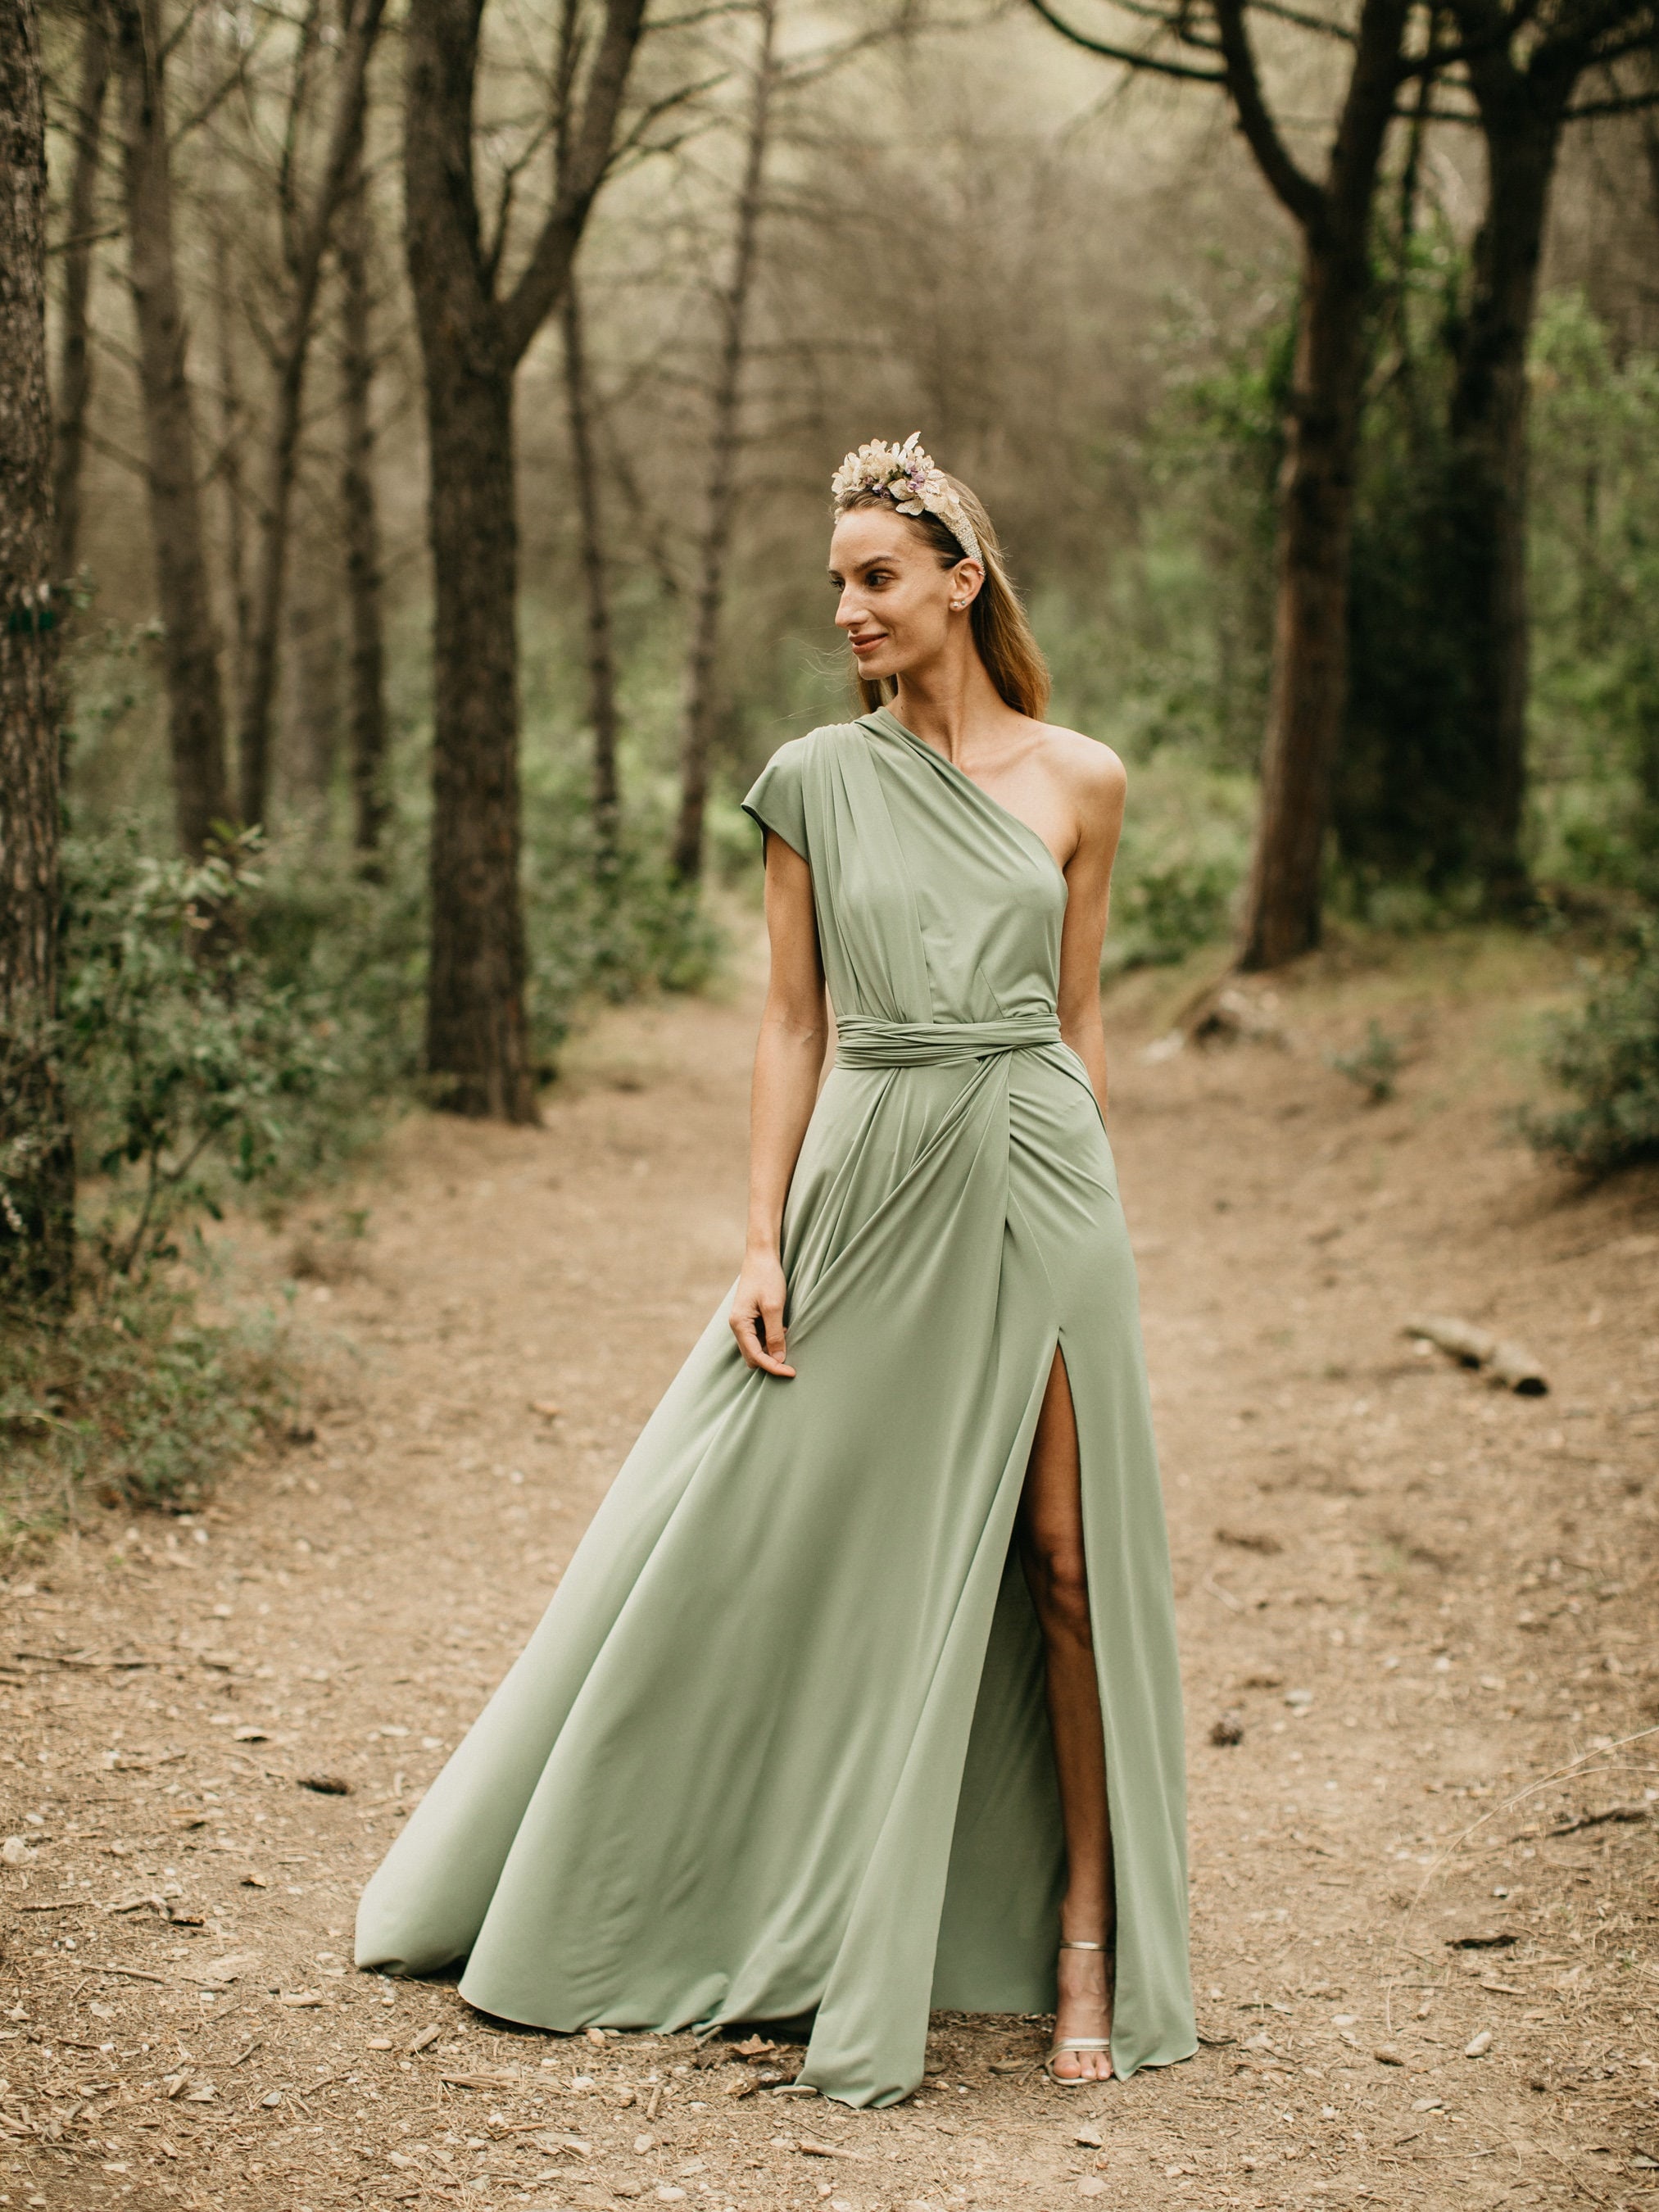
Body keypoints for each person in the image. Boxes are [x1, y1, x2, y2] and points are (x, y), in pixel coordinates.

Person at [356, 434, 1195, 2105]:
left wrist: (1093, 1231)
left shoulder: (1079, 780)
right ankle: (720, 1887)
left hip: (1037, 1170)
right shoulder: (812, 778)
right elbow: (794, 1022)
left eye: (875, 577)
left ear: (962, 579)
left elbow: (1077, 1017)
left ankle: (1087, 1924)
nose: (849, 609)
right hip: (873, 1176)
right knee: (790, 1529)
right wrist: (758, 1236)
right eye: (835, 584)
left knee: (1063, 1557)